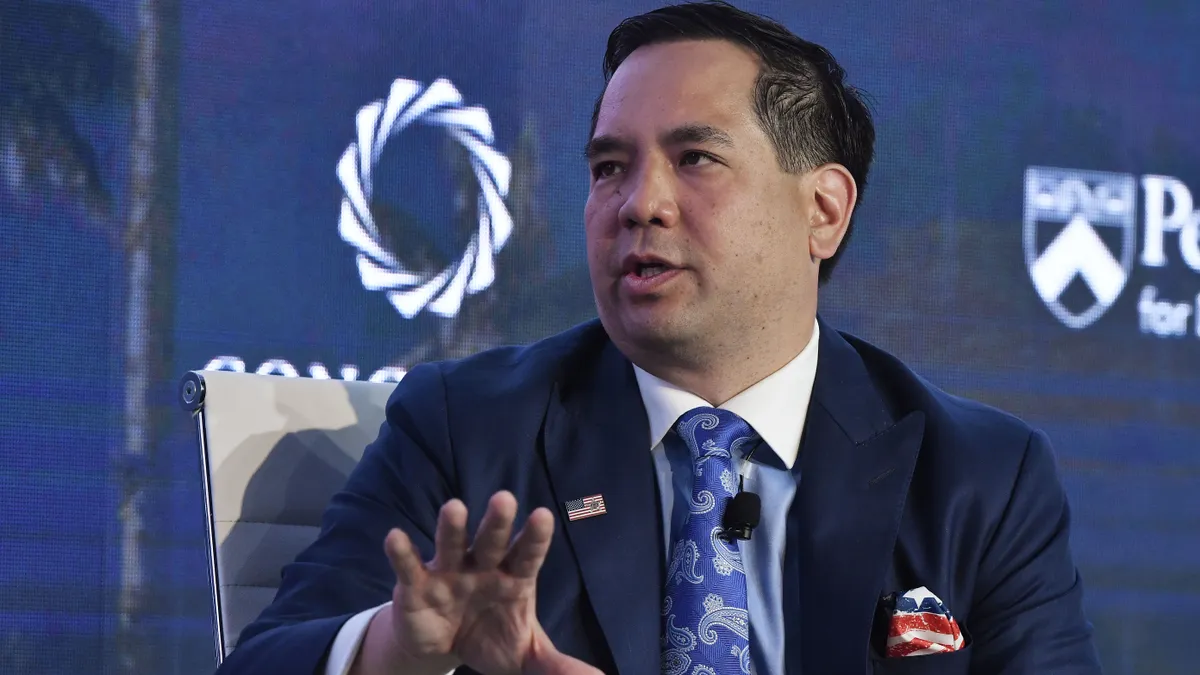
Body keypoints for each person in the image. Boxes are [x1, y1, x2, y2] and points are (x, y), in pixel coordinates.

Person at [216, 2, 1103, 673]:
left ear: (823, 209)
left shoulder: (980, 475)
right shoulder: (466, 428)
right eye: (610, 166)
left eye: (696, 158)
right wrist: (393, 649)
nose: (638, 202)